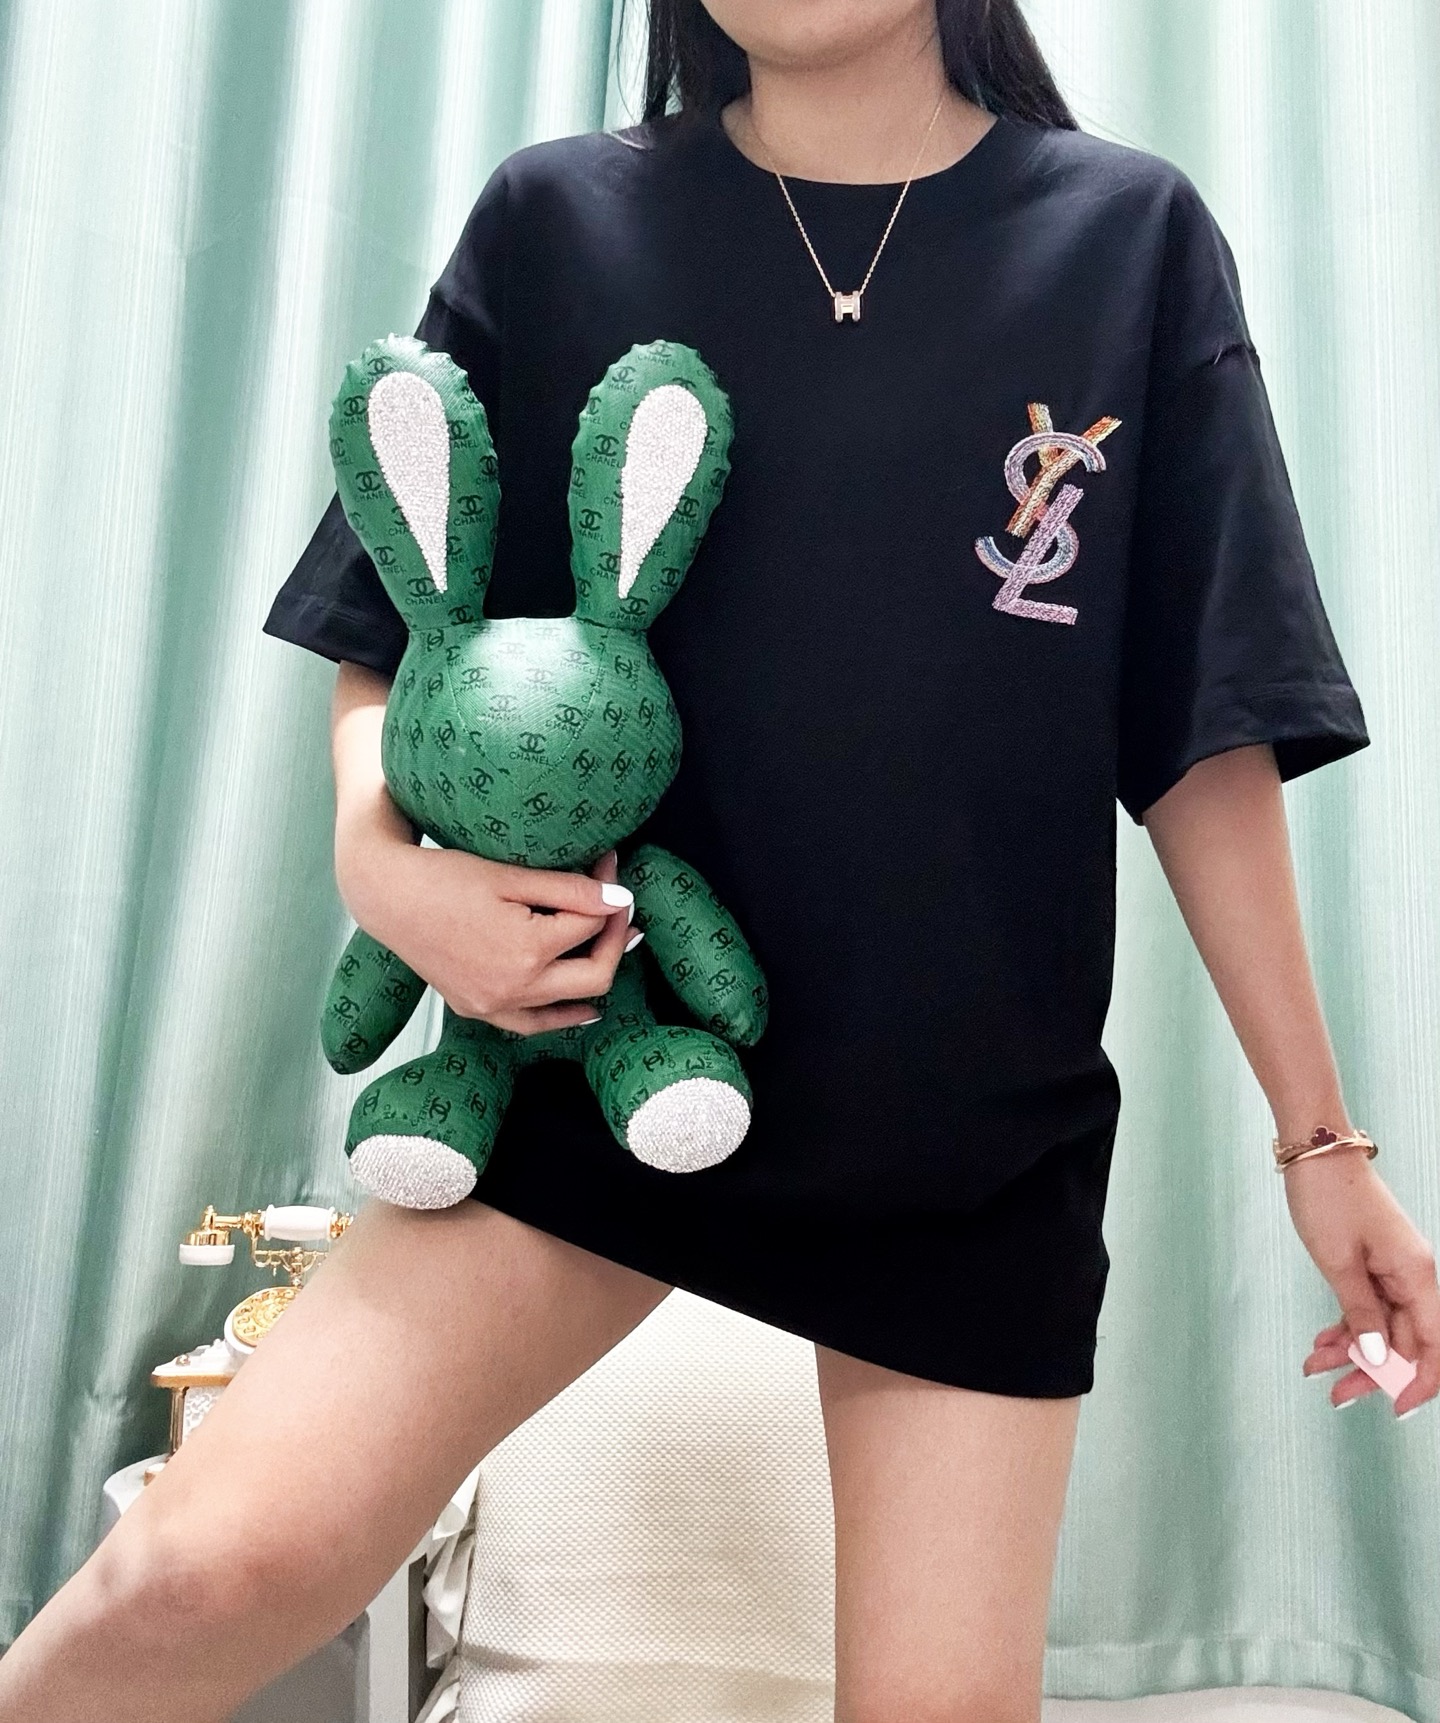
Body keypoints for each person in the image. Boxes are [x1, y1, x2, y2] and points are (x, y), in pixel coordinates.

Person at [4, 3, 1438, 1720]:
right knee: (194, 1573)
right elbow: (398, 617)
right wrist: (382, 866)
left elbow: (1207, 735)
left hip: (963, 1138)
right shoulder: (560, 219)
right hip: (595, 1067)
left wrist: (1321, 1142)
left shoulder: (1126, 238)